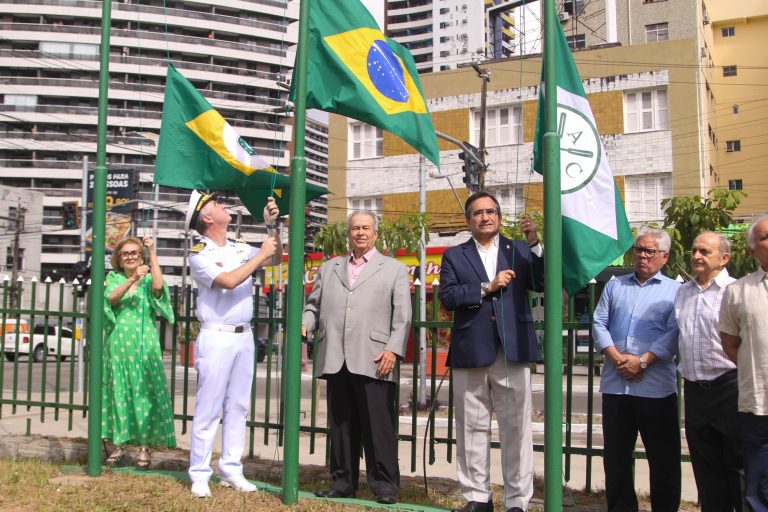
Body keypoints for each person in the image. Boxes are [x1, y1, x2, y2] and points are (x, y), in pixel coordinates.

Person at [438, 191, 544, 512]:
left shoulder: (520, 250)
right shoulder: (455, 255)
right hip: (471, 349)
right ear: (468, 221)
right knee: (471, 427)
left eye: (491, 211)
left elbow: (541, 283)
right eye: (478, 213)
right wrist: (487, 288)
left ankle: (516, 501)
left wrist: (536, 243)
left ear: (498, 216)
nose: (486, 217)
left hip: (513, 348)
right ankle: (477, 497)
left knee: (516, 429)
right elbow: (448, 296)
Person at [302, 210, 411, 505]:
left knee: (378, 426)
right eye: (355, 228)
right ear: (348, 234)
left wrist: (392, 348)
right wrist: (306, 323)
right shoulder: (329, 268)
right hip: (335, 355)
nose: (360, 233)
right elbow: (313, 305)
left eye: (366, 228)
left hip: (376, 357)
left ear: (376, 233)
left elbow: (403, 317)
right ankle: (342, 482)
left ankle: (385, 485)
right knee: (340, 425)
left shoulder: (394, 269)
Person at [186, 191, 280, 498]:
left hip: (244, 335)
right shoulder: (199, 253)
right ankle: (200, 473)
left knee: (238, 406)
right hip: (216, 334)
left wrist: (271, 227)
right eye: (216, 204)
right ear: (207, 218)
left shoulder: (240, 246)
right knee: (209, 406)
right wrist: (260, 255)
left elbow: (275, 255)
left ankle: (231, 468)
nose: (224, 204)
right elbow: (228, 281)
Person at [593, 227, 681, 512]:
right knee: (616, 458)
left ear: (664, 257)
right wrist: (618, 358)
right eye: (639, 250)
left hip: (655, 388)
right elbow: (598, 323)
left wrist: (642, 360)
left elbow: (673, 333)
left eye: (649, 251)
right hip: (616, 386)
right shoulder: (615, 285)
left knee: (663, 460)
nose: (642, 256)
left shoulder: (675, 291)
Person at [674, 231, 741, 512]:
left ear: (724, 258)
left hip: (731, 386)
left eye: (705, 251)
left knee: (739, 467)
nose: (697, 256)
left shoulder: (736, 291)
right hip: (695, 389)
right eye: (694, 250)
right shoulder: (683, 292)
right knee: (706, 469)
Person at [102, 236, 176, 470]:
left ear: (141, 256)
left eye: (135, 253)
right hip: (119, 341)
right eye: (125, 254)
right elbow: (111, 299)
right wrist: (132, 278)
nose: (131, 256)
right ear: (118, 259)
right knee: (119, 391)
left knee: (144, 391)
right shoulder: (114, 278)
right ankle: (120, 443)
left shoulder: (146, 279)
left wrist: (152, 252)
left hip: (145, 340)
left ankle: (145, 446)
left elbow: (158, 288)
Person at [720, 214, 768, 512]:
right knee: (759, 485)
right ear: (751, 250)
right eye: (764, 237)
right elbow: (730, 344)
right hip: (758, 403)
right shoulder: (738, 291)